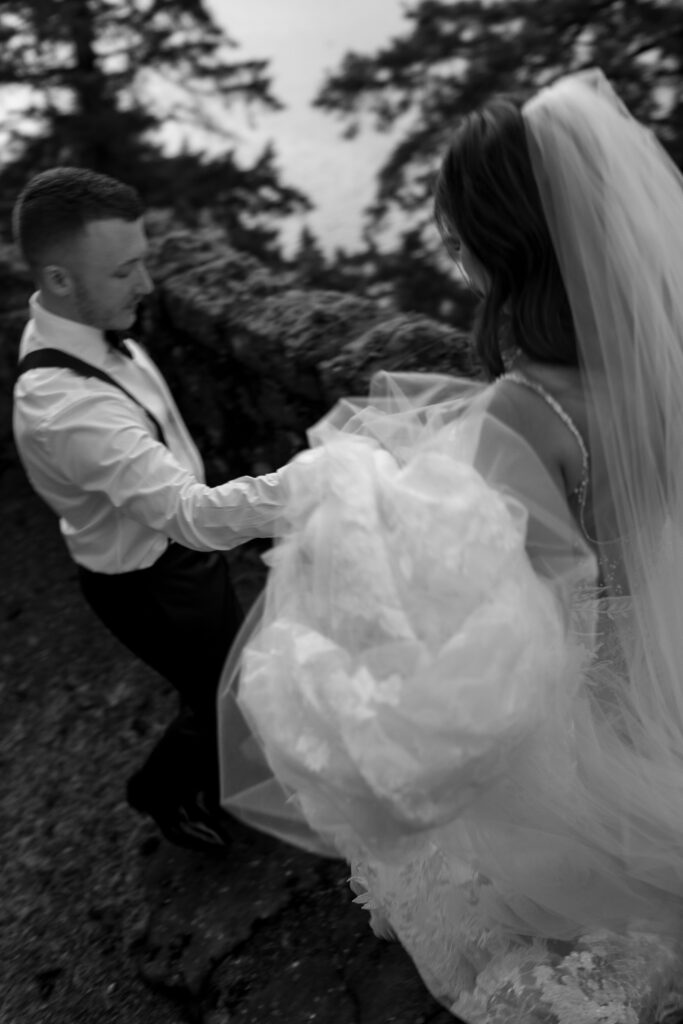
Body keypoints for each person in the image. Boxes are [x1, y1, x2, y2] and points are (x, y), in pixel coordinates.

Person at [216, 69, 683, 1021]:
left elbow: (527, 609)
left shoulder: (530, 404)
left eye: (457, 229)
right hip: (664, 654)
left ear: (501, 242)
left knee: (562, 899)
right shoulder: (660, 365)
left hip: (586, 684)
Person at [11, 166, 309, 853]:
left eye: (143, 261)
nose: (146, 285)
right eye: (124, 271)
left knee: (234, 674)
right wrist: (315, 482)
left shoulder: (80, 324)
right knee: (217, 696)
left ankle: (236, 757)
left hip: (176, 557)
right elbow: (190, 515)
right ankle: (162, 790)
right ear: (59, 280)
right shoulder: (67, 406)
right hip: (150, 582)